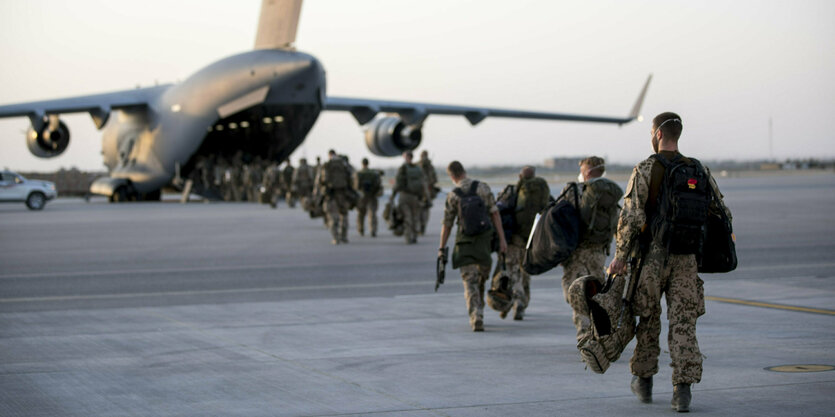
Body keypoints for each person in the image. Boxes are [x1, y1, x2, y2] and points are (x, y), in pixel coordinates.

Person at [607, 112, 731, 412]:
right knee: (684, 324)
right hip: (686, 259)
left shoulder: (647, 168)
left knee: (648, 319)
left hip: (651, 258)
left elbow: (632, 216)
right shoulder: (697, 169)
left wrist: (620, 256)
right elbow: (721, 212)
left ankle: (644, 381)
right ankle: (682, 391)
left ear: (658, 134)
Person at [439, 161, 507, 331]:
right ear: (464, 171)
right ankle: (480, 308)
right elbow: (495, 214)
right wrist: (502, 239)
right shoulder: (482, 188)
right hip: (484, 242)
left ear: (452, 176)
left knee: (469, 281)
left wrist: (442, 247)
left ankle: (476, 314)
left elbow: (447, 224)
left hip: (464, 243)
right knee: (481, 278)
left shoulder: (453, 195)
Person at [560, 156, 622, 337]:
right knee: (596, 290)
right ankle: (599, 327)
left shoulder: (576, 190)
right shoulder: (610, 194)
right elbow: (619, 222)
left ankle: (584, 331)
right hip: (599, 252)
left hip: (577, 251)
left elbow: (560, 218)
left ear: (586, 172)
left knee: (574, 291)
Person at [503, 166, 550, 321]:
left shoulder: (517, 190)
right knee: (526, 272)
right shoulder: (542, 190)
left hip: (516, 237)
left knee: (513, 270)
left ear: (521, 176)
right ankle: (523, 303)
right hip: (532, 239)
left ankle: (518, 298)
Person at [391, 151, 427, 244]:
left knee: (407, 217)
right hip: (415, 196)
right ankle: (415, 236)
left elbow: (397, 183)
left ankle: (408, 237)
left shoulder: (402, 168)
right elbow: (423, 183)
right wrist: (424, 196)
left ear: (405, 157)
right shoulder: (418, 169)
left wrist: (392, 196)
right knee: (415, 217)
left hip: (405, 196)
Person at [320, 149, 354, 244]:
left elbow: (323, 179)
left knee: (332, 216)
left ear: (329, 155)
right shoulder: (344, 164)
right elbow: (351, 177)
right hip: (343, 193)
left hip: (332, 194)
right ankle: (344, 236)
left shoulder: (327, 165)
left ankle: (336, 237)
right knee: (344, 214)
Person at [354, 158, 383, 237]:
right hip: (372, 195)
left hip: (362, 196)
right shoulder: (373, 173)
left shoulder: (359, 173)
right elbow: (378, 184)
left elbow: (356, 186)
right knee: (372, 213)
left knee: (361, 214)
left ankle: (361, 229)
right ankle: (373, 230)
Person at [418, 150, 439, 235]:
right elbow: (435, 179)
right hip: (427, 192)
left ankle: (421, 226)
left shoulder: (417, 165)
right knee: (425, 210)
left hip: (421, 192)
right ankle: (422, 226)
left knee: (420, 209)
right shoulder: (430, 167)